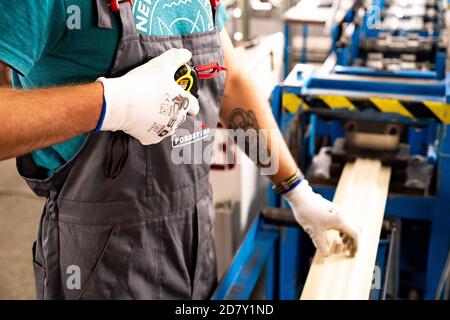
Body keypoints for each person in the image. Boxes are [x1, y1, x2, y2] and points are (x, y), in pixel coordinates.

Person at [0, 0, 358, 299]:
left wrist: (296, 189)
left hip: (194, 245)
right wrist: (111, 103)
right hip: (100, 262)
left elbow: (229, 83)